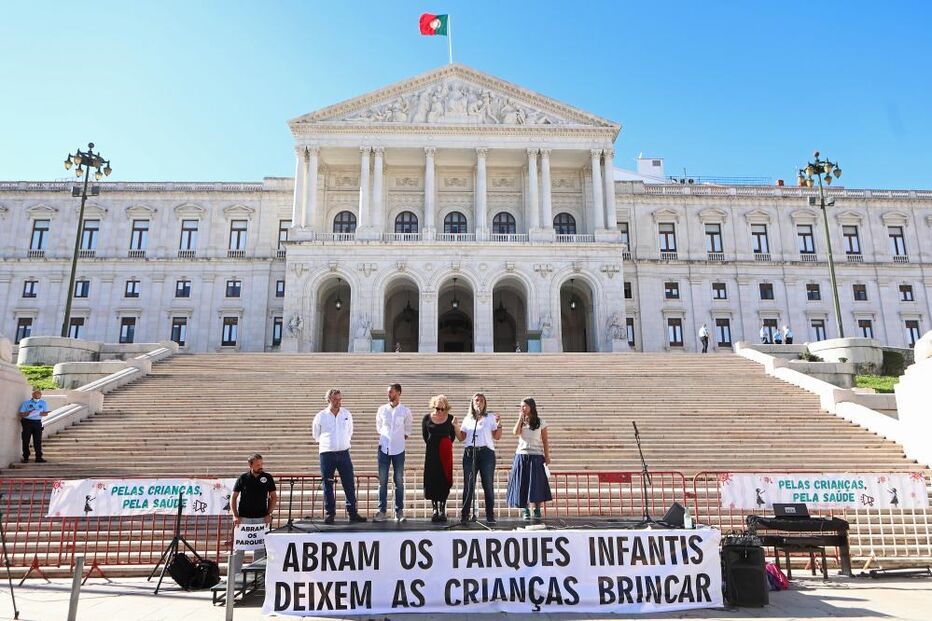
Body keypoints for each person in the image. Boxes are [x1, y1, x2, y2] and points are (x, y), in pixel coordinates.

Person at [312, 389, 367, 524]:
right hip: (327, 454)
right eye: (335, 399)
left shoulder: (346, 414)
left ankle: (352, 513)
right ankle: (330, 513)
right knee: (328, 484)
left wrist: (342, 443)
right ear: (329, 399)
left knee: (349, 483)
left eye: (340, 399)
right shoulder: (320, 416)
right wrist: (329, 444)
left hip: (343, 453)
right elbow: (316, 435)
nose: (338, 402)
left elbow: (350, 431)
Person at [456, 393, 502, 523]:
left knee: (487, 484)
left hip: (486, 453)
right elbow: (461, 438)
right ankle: (465, 515)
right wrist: (455, 427)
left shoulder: (490, 418)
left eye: (482, 400)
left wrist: (499, 424)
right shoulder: (468, 419)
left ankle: (490, 515)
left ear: (485, 403)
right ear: (472, 403)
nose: (479, 402)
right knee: (468, 485)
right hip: (470, 453)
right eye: (477, 400)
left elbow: (497, 436)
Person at [506, 398, 552, 520]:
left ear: (531, 406)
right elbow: (515, 432)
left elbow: (545, 440)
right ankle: (525, 509)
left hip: (536, 455)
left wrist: (547, 456)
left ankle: (537, 509)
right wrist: (520, 419)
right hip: (521, 454)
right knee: (522, 483)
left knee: (536, 483)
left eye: (524, 406)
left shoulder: (541, 422)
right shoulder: (521, 421)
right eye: (521, 406)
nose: (522, 408)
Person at [374, 383, 412, 523]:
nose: (389, 394)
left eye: (391, 392)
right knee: (382, 481)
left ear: (398, 393)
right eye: (388, 392)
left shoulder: (405, 411)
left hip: (398, 449)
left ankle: (399, 511)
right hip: (384, 448)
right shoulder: (382, 409)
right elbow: (379, 427)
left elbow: (408, 429)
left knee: (399, 481)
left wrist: (398, 439)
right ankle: (382, 511)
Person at [231, 453, 277, 562]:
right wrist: (235, 515)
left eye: (261, 464)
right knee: (239, 548)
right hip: (243, 518)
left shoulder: (267, 477)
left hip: (261, 518)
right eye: (257, 465)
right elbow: (233, 497)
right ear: (250, 465)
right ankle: (235, 576)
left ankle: (257, 576)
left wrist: (268, 513)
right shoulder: (243, 478)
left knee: (260, 549)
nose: (260, 466)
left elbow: (274, 497)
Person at [422, 394, 457, 523]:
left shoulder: (451, 419)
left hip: (445, 453)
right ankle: (435, 509)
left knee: (444, 479)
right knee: (432, 479)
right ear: (434, 406)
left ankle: (442, 508)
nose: (440, 411)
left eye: (443, 409)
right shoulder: (427, 418)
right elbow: (425, 436)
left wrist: (444, 445)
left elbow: (452, 436)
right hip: (431, 453)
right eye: (437, 408)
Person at [19, 388, 49, 463]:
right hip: (27, 423)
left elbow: (45, 413)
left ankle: (38, 457)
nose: (37, 396)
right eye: (36, 395)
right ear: (32, 395)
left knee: (38, 441)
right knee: (26, 440)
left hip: (37, 423)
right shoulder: (26, 403)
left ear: (41, 395)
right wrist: (29, 413)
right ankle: (26, 457)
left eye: (39, 395)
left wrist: (38, 413)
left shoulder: (43, 403)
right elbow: (21, 414)